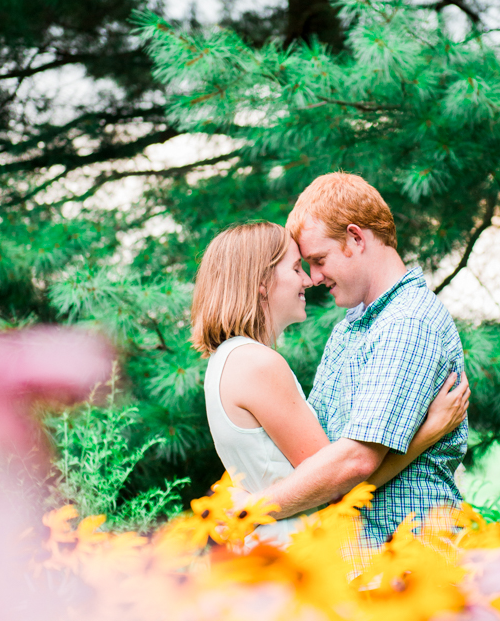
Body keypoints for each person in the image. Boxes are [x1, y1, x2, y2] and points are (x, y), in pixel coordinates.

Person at [192, 220, 469, 544]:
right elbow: (338, 480)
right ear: (261, 282)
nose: (308, 280)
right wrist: (429, 432)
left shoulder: (227, 359)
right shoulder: (257, 363)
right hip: (293, 552)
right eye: (296, 268)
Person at [261, 172, 469, 546]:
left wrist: (251, 510)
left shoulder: (407, 323)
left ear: (356, 238)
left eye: (319, 259)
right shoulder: (352, 327)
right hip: (366, 564)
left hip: (409, 558)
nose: (314, 277)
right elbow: (321, 456)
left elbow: (354, 463)